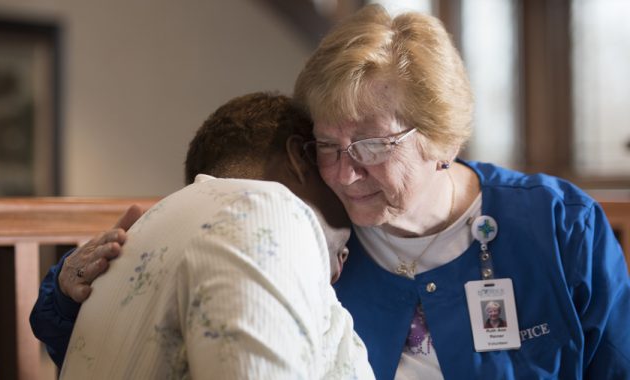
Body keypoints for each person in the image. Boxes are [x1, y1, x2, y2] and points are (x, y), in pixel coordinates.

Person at [32, 4, 630, 379]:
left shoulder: (558, 225)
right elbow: (153, 335)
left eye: (371, 145)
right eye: (327, 144)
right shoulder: (299, 236)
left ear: (440, 135)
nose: (343, 173)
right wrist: (66, 290)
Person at [42, 93, 374, 379]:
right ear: (299, 158)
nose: (342, 261)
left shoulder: (157, 230)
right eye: (344, 246)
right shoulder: (268, 212)